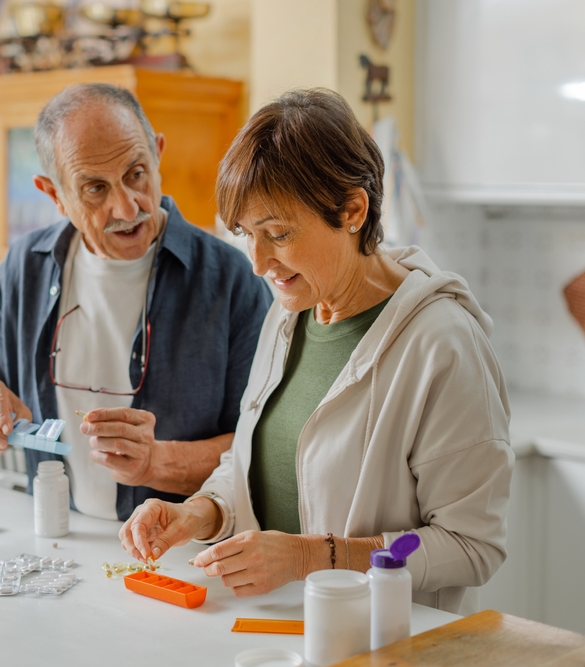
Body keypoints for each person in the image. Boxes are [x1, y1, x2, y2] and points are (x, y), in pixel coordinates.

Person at [119, 89, 512, 615]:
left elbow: (469, 546)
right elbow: (254, 466)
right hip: (277, 632)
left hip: (381, 642)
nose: (258, 262)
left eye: (277, 233)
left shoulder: (442, 344)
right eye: (246, 234)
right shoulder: (289, 313)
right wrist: (199, 513)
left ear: (352, 209)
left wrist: (315, 558)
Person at [0, 83, 272, 521]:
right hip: (60, 537)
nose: (127, 208)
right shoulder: (21, 268)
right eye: (94, 189)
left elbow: (265, 448)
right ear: (53, 194)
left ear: (158, 152)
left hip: (184, 553)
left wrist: (158, 462)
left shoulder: (231, 279)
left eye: (136, 174)